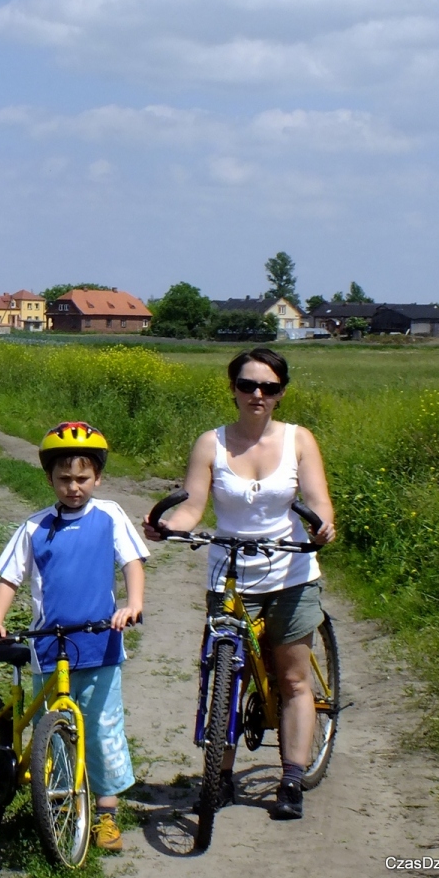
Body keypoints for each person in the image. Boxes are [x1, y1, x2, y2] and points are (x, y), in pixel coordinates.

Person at [145, 347, 335, 820]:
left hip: (290, 572)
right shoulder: (211, 443)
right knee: (227, 678)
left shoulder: (299, 441)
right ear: (232, 389)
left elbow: (318, 502)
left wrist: (323, 527)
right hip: (230, 574)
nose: (257, 394)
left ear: (280, 394)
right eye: (248, 385)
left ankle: (291, 777)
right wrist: (171, 524)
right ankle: (220, 777)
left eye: (268, 387)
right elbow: (193, 506)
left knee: (292, 678)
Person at [0, 421, 148, 851]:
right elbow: (8, 579)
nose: (74, 487)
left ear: (98, 477)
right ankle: (58, 804)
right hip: (47, 647)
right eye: (64, 479)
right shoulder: (35, 527)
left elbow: (131, 563)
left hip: (101, 645)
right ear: (50, 478)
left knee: (101, 729)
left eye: (83, 478)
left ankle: (106, 814)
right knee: (49, 731)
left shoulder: (110, 515)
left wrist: (132, 603)